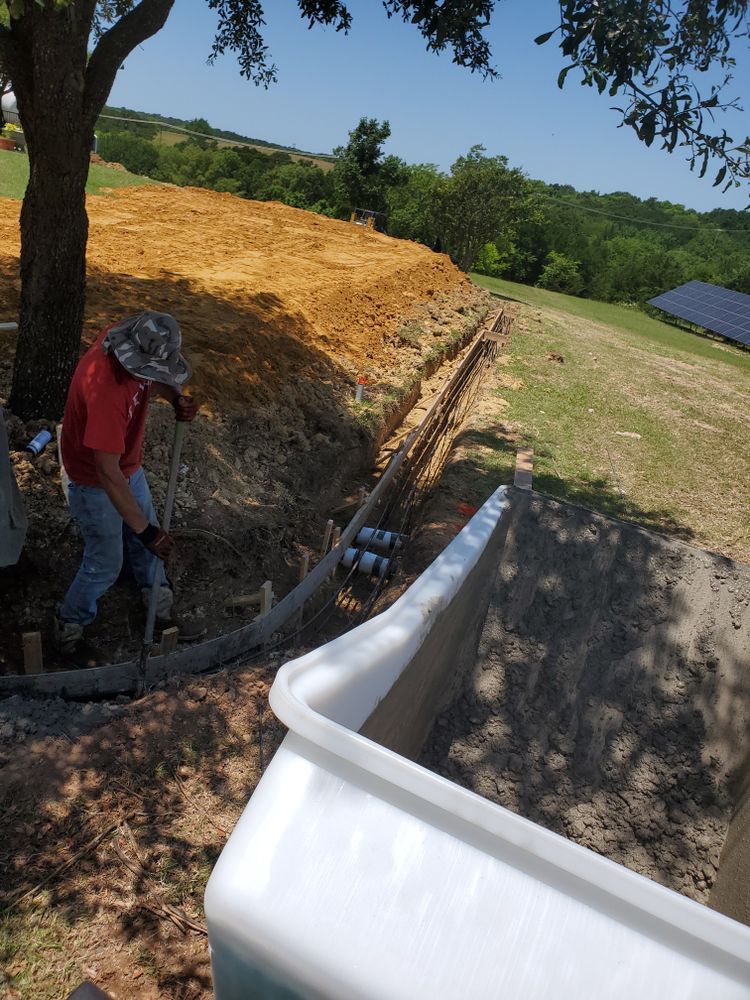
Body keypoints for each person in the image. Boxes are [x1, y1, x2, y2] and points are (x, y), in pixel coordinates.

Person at [54, 311, 204, 658]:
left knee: (148, 545)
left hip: (127, 466)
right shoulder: (106, 389)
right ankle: (69, 628)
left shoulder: (132, 338)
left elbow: (155, 377)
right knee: (106, 561)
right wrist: (144, 530)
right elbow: (106, 471)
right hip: (92, 480)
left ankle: (159, 610)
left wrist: (175, 397)